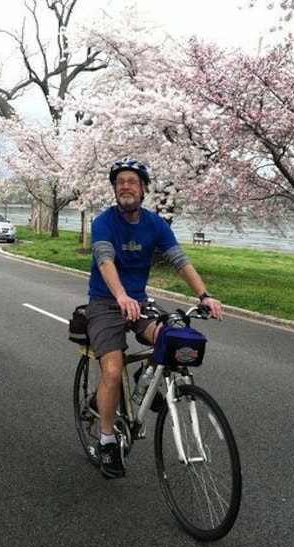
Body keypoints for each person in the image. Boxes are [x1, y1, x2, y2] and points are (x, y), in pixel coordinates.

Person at [86, 157, 223, 479]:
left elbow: (180, 260)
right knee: (112, 368)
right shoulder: (104, 222)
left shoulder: (156, 224)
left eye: (132, 181)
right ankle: (107, 441)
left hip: (139, 302)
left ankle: (142, 380)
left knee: (170, 339)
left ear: (145, 188)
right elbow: (105, 260)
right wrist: (120, 296)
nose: (126, 187)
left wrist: (204, 296)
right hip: (106, 302)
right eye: (120, 182)